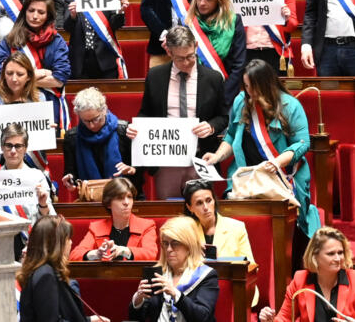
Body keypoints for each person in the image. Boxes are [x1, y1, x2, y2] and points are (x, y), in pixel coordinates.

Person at [204, 59, 320, 259]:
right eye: (246, 86)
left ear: (266, 84)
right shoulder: (242, 100)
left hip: (282, 176)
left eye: (253, 87)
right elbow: (231, 135)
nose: (249, 92)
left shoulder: (290, 105)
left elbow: (302, 143)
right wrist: (217, 156)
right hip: (245, 175)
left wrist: (277, 162)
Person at [129, 26, 228, 199]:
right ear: (169, 52)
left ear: (196, 46)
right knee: (167, 212)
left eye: (190, 56)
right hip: (167, 160)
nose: (186, 63)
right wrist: (136, 127)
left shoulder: (213, 78)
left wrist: (211, 127)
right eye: (180, 58)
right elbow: (146, 112)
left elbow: (224, 117)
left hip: (200, 157)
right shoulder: (155, 76)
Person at [258, 226, 355, 322]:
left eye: (340, 252)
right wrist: (270, 320)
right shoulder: (300, 280)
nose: (338, 258)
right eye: (331, 254)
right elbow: (284, 318)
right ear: (315, 256)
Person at [0, 0, 71, 132]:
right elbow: (2, 75)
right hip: (16, 102)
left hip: (49, 102)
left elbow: (60, 79)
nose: (35, 16)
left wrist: (20, 80)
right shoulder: (9, 40)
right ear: (24, 12)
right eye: (31, 11)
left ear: (48, 16)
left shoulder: (57, 41)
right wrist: (41, 73)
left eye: (41, 12)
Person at [0, 123, 56, 259]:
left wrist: (43, 204)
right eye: (9, 145)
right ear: (2, 148)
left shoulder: (37, 177)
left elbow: (50, 221)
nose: (13, 151)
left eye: (18, 146)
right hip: (1, 245)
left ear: (25, 149)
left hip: (33, 245)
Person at [181, 179, 258, 303]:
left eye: (208, 200)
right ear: (190, 207)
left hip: (233, 289)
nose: (206, 207)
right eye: (199, 203)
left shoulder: (236, 227)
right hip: (196, 293)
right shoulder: (185, 231)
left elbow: (252, 266)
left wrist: (221, 262)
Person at [129, 216, 219, 322]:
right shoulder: (158, 274)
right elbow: (136, 318)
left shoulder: (206, 275)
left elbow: (203, 317)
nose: (169, 249)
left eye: (175, 243)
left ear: (189, 245)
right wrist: (139, 300)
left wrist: (176, 294)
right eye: (165, 243)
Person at [17, 215, 104, 322]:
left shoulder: (43, 270)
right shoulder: (45, 275)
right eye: (68, 239)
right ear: (56, 243)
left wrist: (89, 320)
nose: (71, 243)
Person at [58, 0, 129, 80]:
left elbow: (116, 25)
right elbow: (67, 27)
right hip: (80, 61)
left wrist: (120, 11)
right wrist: (73, 16)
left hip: (105, 60)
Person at [0, 51, 43, 168]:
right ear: (3, 75)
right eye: (9, 73)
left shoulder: (39, 99)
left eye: (20, 74)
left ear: (29, 76)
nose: (14, 79)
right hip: (0, 171)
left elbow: (44, 144)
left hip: (32, 170)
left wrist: (49, 132)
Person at [184, 0, 245, 103]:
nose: (202, 3)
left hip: (225, 94)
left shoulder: (234, 21)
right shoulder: (188, 23)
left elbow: (238, 65)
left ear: (219, 0)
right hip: (193, 94)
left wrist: (223, 97)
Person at [62, 87, 137, 190]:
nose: (92, 125)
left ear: (104, 110)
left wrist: (132, 169)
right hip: (91, 199)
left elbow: (141, 169)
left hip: (126, 195)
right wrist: (70, 180)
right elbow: (72, 174)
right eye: (86, 121)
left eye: (96, 119)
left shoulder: (125, 131)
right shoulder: (72, 137)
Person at [70, 177, 158, 261]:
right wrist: (95, 254)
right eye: (120, 198)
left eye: (129, 197)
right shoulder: (96, 227)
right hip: (105, 275)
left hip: (136, 276)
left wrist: (124, 251)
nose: (127, 203)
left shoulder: (146, 226)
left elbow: (151, 254)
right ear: (108, 204)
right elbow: (74, 255)